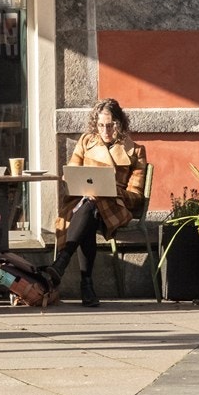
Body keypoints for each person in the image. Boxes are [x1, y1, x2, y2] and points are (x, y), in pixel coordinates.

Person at [45, 98, 147, 308]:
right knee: (89, 209)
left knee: (92, 205)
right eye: (101, 125)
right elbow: (71, 176)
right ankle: (86, 286)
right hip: (83, 205)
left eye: (110, 125)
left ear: (120, 123)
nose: (106, 130)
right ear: (95, 124)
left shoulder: (135, 151)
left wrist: (109, 189)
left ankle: (62, 262)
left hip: (116, 209)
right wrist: (86, 188)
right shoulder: (86, 142)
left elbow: (136, 195)